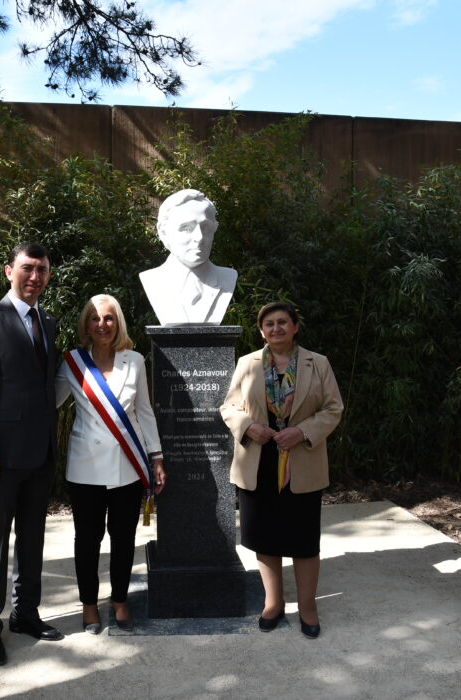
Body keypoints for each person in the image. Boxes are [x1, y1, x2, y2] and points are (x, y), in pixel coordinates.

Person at [219, 301, 343, 638]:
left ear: (295, 326)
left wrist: (302, 432)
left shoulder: (318, 364)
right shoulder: (247, 364)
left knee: (304, 539)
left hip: (301, 459)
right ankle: (273, 602)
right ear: (262, 331)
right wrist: (247, 425)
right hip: (259, 460)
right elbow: (229, 406)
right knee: (265, 538)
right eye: (269, 324)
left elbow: (334, 408)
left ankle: (307, 606)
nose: (276, 329)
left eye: (282, 322)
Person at [0, 241, 62, 667]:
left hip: (40, 454)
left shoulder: (50, 322)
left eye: (41, 269)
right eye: (27, 268)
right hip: (0, 459)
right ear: (9, 271)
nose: (34, 277)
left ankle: (26, 614)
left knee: (33, 539)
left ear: (48, 275)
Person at [55, 294, 167, 634]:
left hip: (127, 466)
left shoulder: (133, 360)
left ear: (117, 323)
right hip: (85, 466)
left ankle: (119, 600)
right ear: (86, 324)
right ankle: (89, 604)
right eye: (95, 318)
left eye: (108, 318)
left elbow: (144, 412)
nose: (102, 325)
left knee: (123, 537)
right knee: (87, 539)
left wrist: (156, 457)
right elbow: (48, 402)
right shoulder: (72, 362)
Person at [139, 189, 237, 325]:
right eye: (186, 228)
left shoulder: (228, 277)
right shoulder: (152, 280)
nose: (199, 238)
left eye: (206, 227)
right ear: (163, 232)